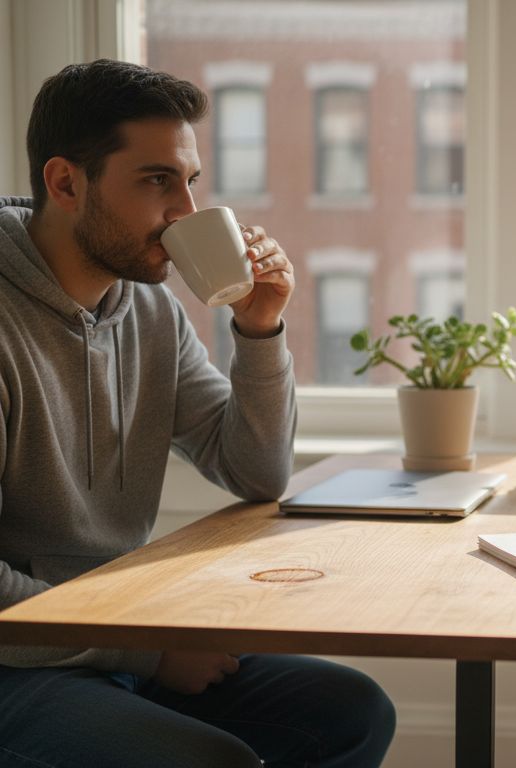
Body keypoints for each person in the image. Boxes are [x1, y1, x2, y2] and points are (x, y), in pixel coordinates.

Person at [0, 60, 395, 767]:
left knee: (352, 712)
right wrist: (148, 651)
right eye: (157, 181)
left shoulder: (150, 307)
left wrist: (260, 331)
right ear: (65, 183)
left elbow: (256, 471)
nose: (185, 210)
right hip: (17, 663)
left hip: (112, 639)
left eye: (190, 182)